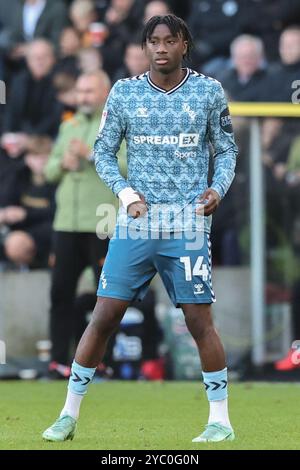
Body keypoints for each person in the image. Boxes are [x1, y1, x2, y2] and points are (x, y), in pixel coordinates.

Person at [43, 14, 238, 443]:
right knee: (104, 315)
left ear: (184, 44)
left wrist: (217, 189)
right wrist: (126, 193)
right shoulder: (126, 93)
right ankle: (68, 414)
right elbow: (104, 152)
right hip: (136, 224)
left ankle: (220, 420)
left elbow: (226, 150)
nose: (162, 48)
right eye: (154, 41)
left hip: (187, 224)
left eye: (171, 40)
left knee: (198, 321)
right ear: (145, 47)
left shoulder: (208, 91)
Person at [44, 70, 124, 378]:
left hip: (102, 220)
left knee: (109, 297)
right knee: (59, 293)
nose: (83, 97)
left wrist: (90, 155)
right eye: (80, 91)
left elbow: (128, 166)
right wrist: (62, 163)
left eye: (89, 91)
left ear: (104, 92)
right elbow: (49, 170)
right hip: (67, 222)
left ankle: (105, 362)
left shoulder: (116, 123)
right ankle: (56, 361)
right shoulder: (70, 125)